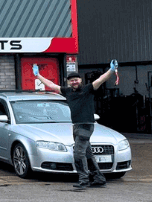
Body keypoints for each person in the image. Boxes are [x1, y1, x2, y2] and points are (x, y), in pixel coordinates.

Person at [33, 62, 117, 190]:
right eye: (71, 80)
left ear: (80, 80)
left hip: (86, 125)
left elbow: (101, 79)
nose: (74, 82)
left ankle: (83, 181)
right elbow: (51, 85)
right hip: (76, 126)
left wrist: (111, 70)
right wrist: (38, 75)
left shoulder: (88, 88)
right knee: (87, 154)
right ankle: (99, 178)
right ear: (69, 82)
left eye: (76, 80)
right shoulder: (66, 91)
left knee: (78, 154)